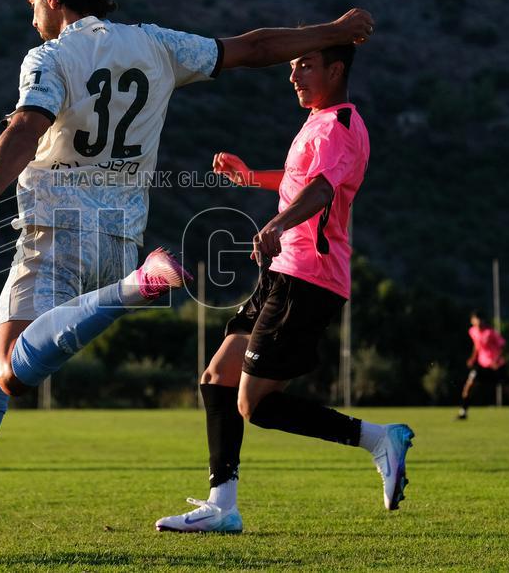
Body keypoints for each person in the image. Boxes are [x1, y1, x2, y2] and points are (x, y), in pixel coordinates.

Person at [0, 0, 375, 548]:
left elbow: (26, 127)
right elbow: (255, 47)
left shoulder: (49, 56)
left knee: (9, 373)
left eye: (33, 3)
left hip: (56, 228)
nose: (32, 16)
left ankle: (136, 287)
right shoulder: (156, 43)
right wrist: (335, 29)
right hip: (118, 233)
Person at [155, 44, 414, 534]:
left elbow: (321, 191)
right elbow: (300, 180)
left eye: (305, 65)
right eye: (292, 66)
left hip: (309, 277)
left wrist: (276, 223)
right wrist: (251, 177)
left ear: (336, 70)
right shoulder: (317, 122)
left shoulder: (339, 124)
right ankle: (222, 505)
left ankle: (379, 439)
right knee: (217, 379)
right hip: (283, 274)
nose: (293, 75)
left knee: (254, 404)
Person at [457, 310, 509, 420]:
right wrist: (472, 358)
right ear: (472, 321)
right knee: (469, 385)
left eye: (481, 319)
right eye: (477, 319)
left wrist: (496, 360)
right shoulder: (472, 331)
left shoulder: (491, 332)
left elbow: (503, 346)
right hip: (482, 365)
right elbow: (477, 346)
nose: (479, 322)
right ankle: (463, 412)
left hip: (497, 366)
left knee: (508, 389)